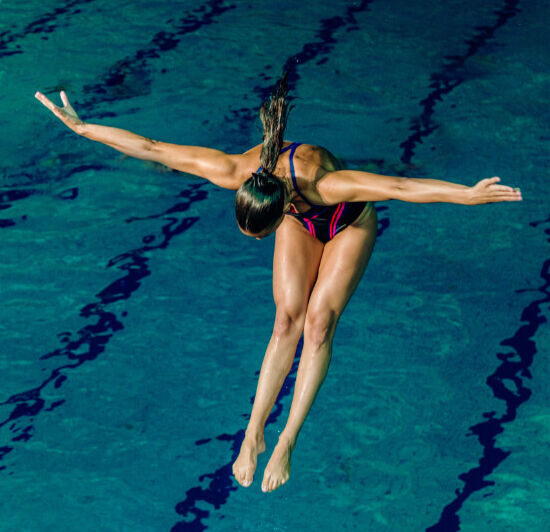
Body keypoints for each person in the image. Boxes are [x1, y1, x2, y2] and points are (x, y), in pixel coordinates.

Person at [35, 73, 522, 493]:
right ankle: (253, 434)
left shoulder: (327, 184)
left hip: (346, 222)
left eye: (259, 234)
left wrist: (467, 196)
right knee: (285, 320)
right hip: (297, 218)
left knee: (319, 323)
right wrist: (83, 128)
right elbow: (154, 148)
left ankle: (286, 439)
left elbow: (398, 187)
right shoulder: (235, 171)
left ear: (277, 208)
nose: (255, 241)